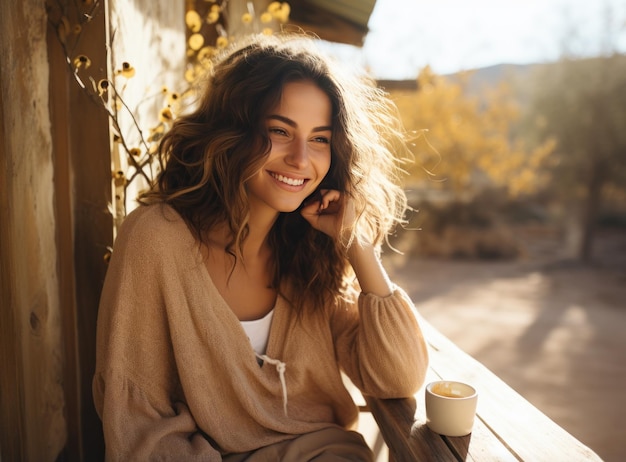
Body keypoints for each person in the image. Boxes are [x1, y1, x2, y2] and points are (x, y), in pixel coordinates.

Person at [93, 32, 429, 461]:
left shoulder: (312, 252)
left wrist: (356, 243)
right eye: (279, 131)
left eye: (321, 138)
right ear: (233, 131)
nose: (301, 158)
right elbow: (138, 420)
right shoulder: (156, 239)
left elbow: (398, 377)